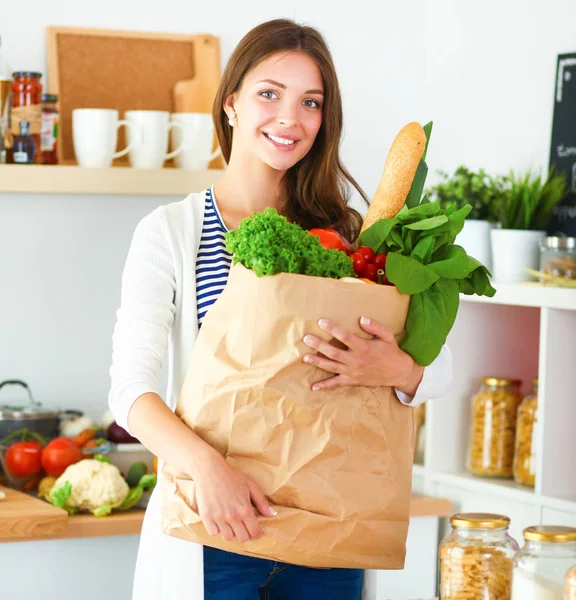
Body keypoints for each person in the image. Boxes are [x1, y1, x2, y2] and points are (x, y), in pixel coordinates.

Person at [108, 17, 452, 600]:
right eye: (269, 93)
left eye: (311, 102)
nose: (290, 118)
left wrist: (399, 371)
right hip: (215, 528)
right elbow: (130, 391)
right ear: (231, 104)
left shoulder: (352, 237)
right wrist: (207, 470)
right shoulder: (171, 232)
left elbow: (441, 370)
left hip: (326, 531)